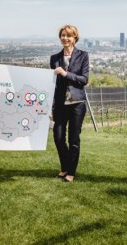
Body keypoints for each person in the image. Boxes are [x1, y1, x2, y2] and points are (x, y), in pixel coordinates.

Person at [50, 25, 89, 182]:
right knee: (58, 137)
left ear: (75, 38)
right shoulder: (54, 58)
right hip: (60, 104)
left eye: (69, 36)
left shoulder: (83, 56)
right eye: (63, 35)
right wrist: (51, 106)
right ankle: (65, 166)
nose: (65, 38)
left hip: (77, 104)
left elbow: (84, 79)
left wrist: (65, 73)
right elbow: (54, 84)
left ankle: (71, 172)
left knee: (73, 139)